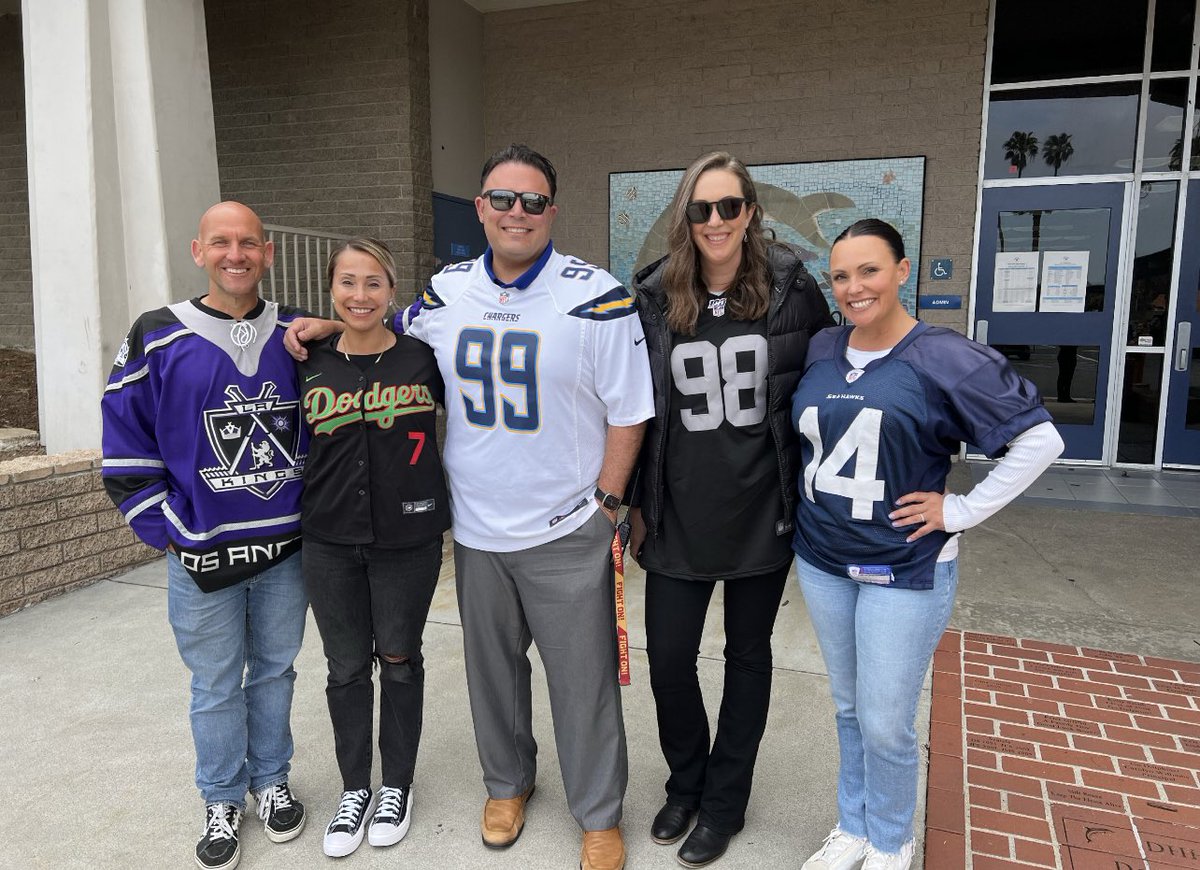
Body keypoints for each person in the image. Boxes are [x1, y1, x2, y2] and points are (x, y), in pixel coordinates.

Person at [287, 144, 654, 870]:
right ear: (480, 206)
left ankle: (598, 812)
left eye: (533, 200)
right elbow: (386, 336)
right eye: (502, 198)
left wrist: (607, 504)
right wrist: (331, 326)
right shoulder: (445, 293)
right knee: (492, 673)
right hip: (477, 526)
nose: (517, 212)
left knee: (581, 680)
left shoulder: (596, 294)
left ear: (553, 210)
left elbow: (629, 409)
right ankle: (508, 783)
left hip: (565, 524)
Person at [791, 219, 1063, 870]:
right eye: (841, 276)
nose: (854, 287)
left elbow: (1041, 440)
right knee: (850, 708)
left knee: (887, 722)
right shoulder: (821, 346)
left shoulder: (944, 355)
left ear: (903, 271)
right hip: (824, 557)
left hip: (904, 564)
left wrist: (962, 509)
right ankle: (852, 828)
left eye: (869, 270)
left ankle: (891, 841)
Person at [627, 152, 833, 868]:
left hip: (760, 511)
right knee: (671, 662)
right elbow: (625, 404)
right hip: (677, 512)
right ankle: (686, 782)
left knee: (748, 659)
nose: (715, 221)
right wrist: (625, 501)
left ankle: (724, 803)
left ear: (750, 211)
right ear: (685, 218)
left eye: (728, 207)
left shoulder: (792, 286)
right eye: (700, 209)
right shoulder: (652, 295)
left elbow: (834, 372)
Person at [101, 202, 309, 870]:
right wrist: (161, 527)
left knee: (275, 670)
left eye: (249, 242)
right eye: (222, 242)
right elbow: (124, 429)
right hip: (200, 548)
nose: (236, 254)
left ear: (268, 252)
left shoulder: (300, 334)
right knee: (215, 683)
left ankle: (271, 781)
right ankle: (222, 795)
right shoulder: (157, 333)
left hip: (286, 547)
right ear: (198, 251)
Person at [296, 238, 450, 857]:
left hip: (406, 540)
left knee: (400, 658)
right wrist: (331, 329)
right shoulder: (306, 362)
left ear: (393, 292)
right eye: (348, 284)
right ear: (331, 289)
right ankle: (355, 788)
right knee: (345, 667)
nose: (360, 296)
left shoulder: (424, 358)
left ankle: (398, 786)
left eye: (373, 284)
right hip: (328, 539)